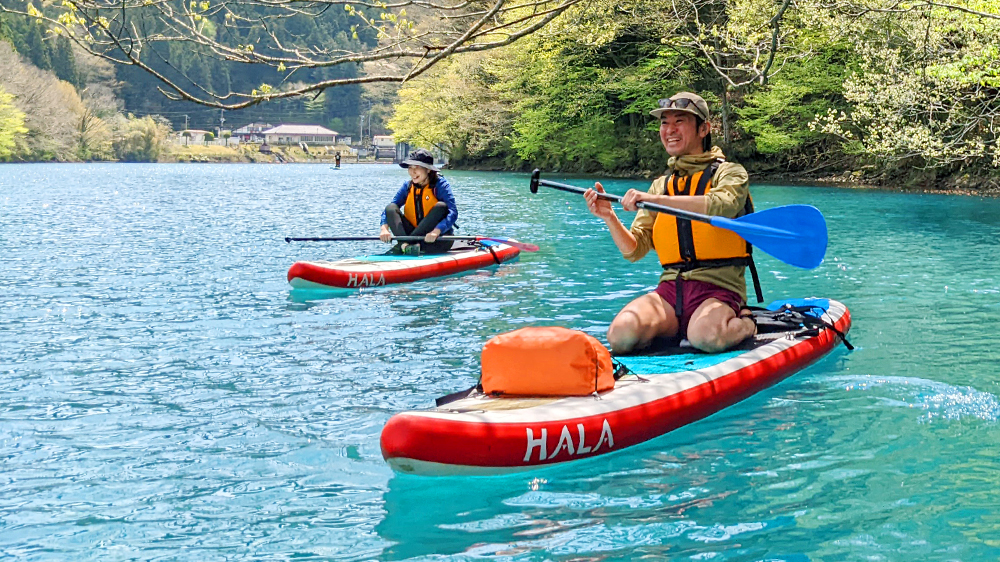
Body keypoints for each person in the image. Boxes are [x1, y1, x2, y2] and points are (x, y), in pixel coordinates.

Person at [584, 92, 760, 354]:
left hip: (719, 291)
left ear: (704, 129)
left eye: (679, 121)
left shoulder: (730, 172)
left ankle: (747, 322)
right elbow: (634, 249)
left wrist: (656, 200)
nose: (669, 130)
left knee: (706, 336)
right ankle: (672, 328)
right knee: (620, 335)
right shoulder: (661, 185)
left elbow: (723, 205)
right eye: (664, 123)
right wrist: (610, 217)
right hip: (669, 293)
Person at [379, 148, 458, 255]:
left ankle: (403, 246)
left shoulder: (441, 185)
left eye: (417, 167)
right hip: (412, 234)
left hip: (435, 239)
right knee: (391, 208)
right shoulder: (407, 186)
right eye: (410, 167)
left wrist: (437, 231)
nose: (412, 172)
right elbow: (389, 210)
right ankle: (407, 246)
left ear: (428, 169)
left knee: (441, 206)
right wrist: (384, 228)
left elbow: (453, 213)